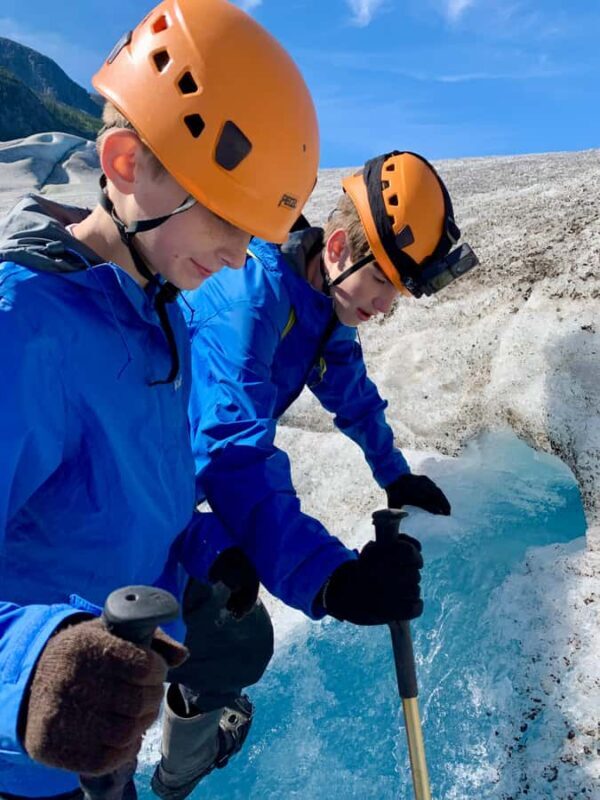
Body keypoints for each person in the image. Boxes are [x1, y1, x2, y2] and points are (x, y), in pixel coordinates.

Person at [0, 0, 320, 798]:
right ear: (124, 163)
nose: (241, 255)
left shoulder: (157, 316)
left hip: (96, 753)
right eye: (224, 216)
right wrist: (35, 667)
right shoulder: (23, 327)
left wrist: (207, 560)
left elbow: (128, 508)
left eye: (255, 232)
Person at [151, 150, 478, 798]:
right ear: (336, 247)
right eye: (383, 286)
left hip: (175, 493)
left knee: (236, 640)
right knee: (205, 643)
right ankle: (157, 772)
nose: (386, 308)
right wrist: (334, 580)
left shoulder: (321, 297)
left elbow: (346, 385)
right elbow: (233, 459)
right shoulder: (250, 300)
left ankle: (170, 770)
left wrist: (394, 473)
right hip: (152, 489)